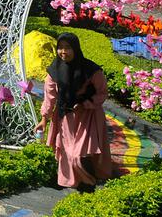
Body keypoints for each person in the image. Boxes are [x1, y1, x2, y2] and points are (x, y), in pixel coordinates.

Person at [36, 33, 113, 191]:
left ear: (76, 49)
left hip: (88, 116)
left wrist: (86, 103)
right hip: (66, 117)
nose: (63, 52)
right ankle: (73, 181)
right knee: (67, 153)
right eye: (60, 48)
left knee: (80, 154)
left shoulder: (91, 70)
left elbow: (102, 92)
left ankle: (89, 182)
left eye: (68, 48)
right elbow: (50, 97)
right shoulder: (54, 71)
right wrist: (44, 119)